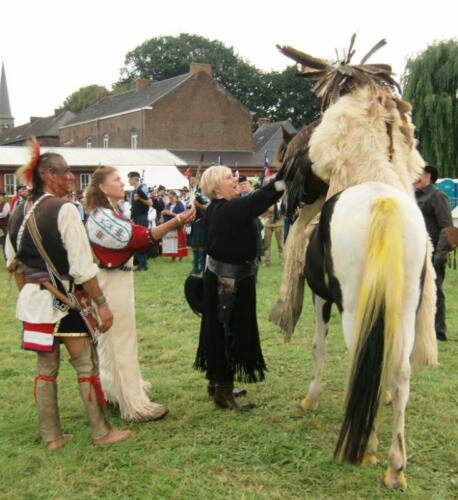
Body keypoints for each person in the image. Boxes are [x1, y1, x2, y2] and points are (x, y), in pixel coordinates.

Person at [6, 141, 130, 450]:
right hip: (66, 302)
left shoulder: (16, 211)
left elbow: (13, 263)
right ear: (48, 175)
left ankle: (53, 437)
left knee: (46, 372)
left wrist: (30, 292)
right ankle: (102, 433)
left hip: (35, 303)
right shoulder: (64, 209)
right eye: (66, 172)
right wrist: (101, 304)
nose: (72, 177)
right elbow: (81, 268)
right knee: (86, 367)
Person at [84, 166, 195, 422]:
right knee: (120, 341)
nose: (123, 183)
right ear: (102, 188)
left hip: (115, 278)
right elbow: (137, 237)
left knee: (111, 342)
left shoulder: (107, 213)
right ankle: (133, 404)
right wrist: (177, 221)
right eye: (117, 180)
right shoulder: (101, 216)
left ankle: (114, 391)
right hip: (110, 282)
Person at [193, 166, 285, 410]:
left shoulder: (219, 208)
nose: (234, 180)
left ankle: (217, 382)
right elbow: (259, 199)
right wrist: (284, 177)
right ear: (216, 190)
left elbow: (256, 202)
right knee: (227, 332)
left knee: (221, 330)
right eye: (228, 178)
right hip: (229, 284)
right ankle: (223, 391)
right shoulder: (228, 209)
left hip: (227, 279)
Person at [414, 165, 454, 341]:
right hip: (416, 254)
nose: (414, 177)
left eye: (418, 173)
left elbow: (448, 228)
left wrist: (439, 255)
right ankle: (420, 329)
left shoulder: (437, 196)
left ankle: (439, 332)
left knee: (435, 291)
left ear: (428, 175)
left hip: (433, 254)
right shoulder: (413, 197)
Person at [128, 172, 151, 271]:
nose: (129, 181)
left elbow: (150, 202)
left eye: (130, 179)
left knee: (141, 240)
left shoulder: (143, 188)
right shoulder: (135, 190)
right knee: (137, 240)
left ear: (135, 179)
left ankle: (143, 265)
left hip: (142, 217)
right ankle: (141, 264)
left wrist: (140, 198)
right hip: (136, 217)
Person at [187, 175, 209, 275]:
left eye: (193, 180)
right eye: (191, 180)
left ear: (198, 181)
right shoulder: (191, 193)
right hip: (192, 222)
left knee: (201, 247)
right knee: (194, 247)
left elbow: (208, 207)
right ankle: (195, 268)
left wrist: (198, 204)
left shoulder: (201, 193)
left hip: (201, 222)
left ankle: (202, 267)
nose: (192, 181)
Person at [161, 191, 188, 261]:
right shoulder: (168, 205)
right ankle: (172, 256)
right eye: (169, 198)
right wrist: (163, 212)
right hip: (169, 224)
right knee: (171, 240)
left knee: (179, 242)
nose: (170, 199)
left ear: (176, 197)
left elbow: (182, 215)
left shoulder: (180, 205)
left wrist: (170, 213)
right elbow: (163, 212)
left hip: (178, 225)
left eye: (171, 197)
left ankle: (180, 256)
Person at [263, 200, 284, 266]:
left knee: (280, 244)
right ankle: (266, 262)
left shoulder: (280, 199)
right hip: (268, 222)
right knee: (266, 244)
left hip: (278, 223)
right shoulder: (267, 197)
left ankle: (282, 261)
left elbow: (280, 209)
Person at [0, 191, 10, 261]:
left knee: (4, 243)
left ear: (3, 197)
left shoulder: (6, 204)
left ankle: (6, 259)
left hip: (4, 227)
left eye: (1, 196)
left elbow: (4, 214)